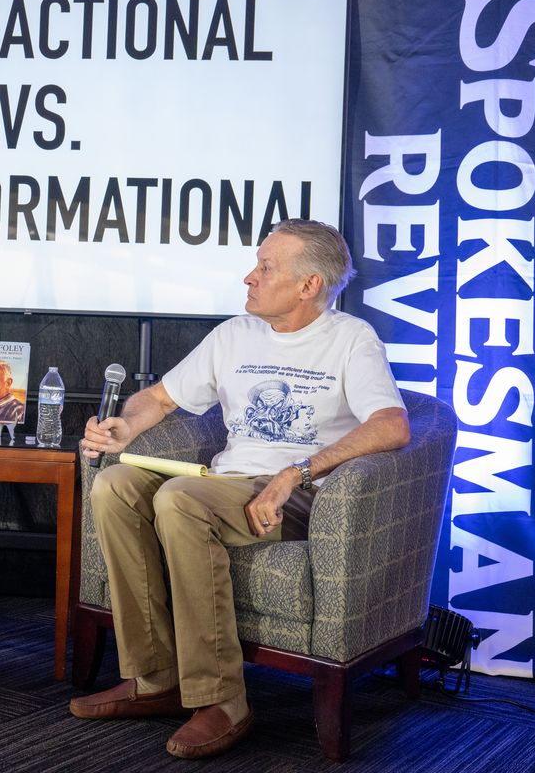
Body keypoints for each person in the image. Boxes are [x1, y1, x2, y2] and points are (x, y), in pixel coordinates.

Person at [71, 219, 410, 759]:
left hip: (301, 497)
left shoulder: (350, 340)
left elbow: (392, 425)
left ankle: (223, 700)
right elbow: (158, 399)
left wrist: (296, 471)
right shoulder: (234, 334)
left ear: (308, 285)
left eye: (266, 267)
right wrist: (126, 427)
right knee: (114, 485)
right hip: (224, 484)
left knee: (178, 499)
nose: (249, 277)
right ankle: (157, 678)